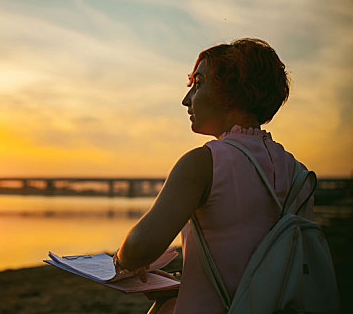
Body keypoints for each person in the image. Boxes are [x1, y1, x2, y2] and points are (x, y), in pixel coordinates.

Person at [113, 38, 314, 313]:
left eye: (198, 83)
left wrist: (122, 258)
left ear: (231, 91)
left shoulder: (204, 163)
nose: (187, 100)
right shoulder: (299, 174)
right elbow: (264, 268)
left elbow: (138, 249)